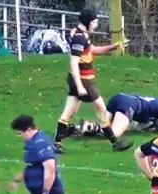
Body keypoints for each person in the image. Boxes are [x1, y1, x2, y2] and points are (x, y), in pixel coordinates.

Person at [52, 8, 133, 154]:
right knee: (101, 109)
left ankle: (57, 142)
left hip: (79, 79)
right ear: (88, 22)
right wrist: (80, 86)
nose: (96, 25)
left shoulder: (80, 34)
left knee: (69, 110)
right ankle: (115, 142)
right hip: (84, 81)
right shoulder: (79, 38)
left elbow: (91, 50)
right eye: (94, 22)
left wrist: (111, 47)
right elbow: (74, 62)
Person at [77, 91, 158, 138]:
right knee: (113, 133)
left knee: (106, 125)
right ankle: (90, 127)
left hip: (119, 98)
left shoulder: (157, 103)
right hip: (128, 104)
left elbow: (139, 126)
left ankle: (79, 128)